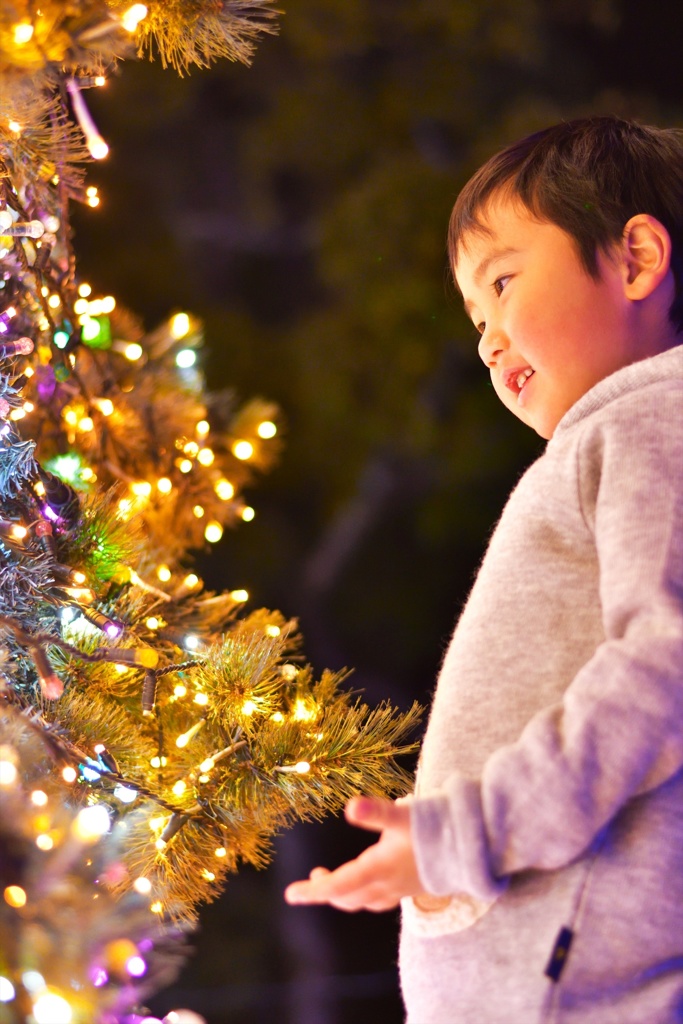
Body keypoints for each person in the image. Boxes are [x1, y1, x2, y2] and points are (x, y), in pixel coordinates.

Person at [284, 116, 683, 1023]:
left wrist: (464, 837)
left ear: (634, 259)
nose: (488, 338)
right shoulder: (610, 437)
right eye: (474, 316)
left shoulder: (653, 418)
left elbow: (665, 664)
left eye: (503, 283)